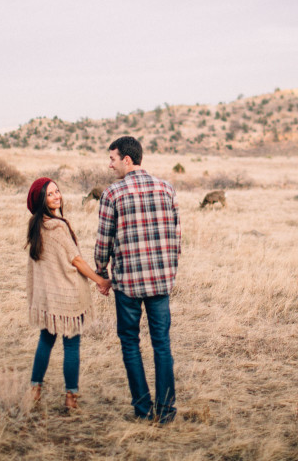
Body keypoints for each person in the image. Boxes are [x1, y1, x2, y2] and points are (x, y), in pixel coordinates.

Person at [94, 136, 181, 423]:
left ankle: (143, 410)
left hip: (128, 285)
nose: (110, 165)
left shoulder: (113, 193)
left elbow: (104, 240)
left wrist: (102, 273)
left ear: (127, 160)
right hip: (160, 282)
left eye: (112, 158)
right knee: (162, 344)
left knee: (130, 342)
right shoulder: (166, 188)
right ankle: (166, 412)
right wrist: (170, 271)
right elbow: (176, 237)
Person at [25, 177, 112, 409]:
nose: (57, 196)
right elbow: (76, 260)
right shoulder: (58, 226)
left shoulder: (36, 226)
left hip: (48, 298)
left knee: (45, 341)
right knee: (71, 346)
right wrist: (100, 280)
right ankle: (71, 398)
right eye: (50, 194)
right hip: (67, 298)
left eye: (57, 191)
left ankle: (35, 389)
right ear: (41, 200)